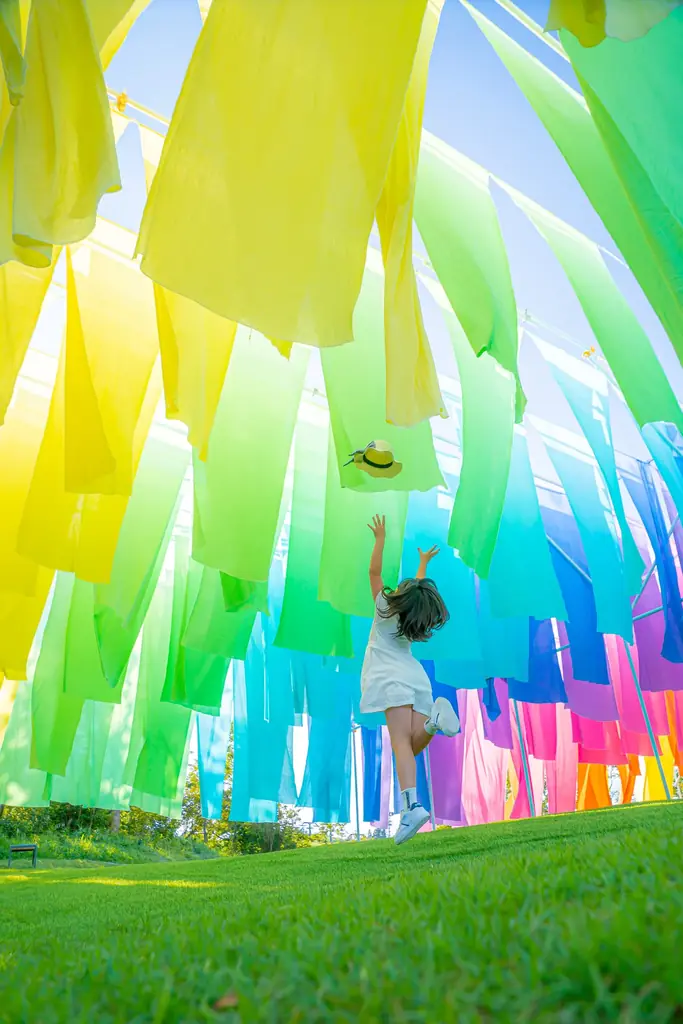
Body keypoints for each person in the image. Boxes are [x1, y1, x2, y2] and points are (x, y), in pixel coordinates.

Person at [360, 514, 461, 846]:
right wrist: (423, 565)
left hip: (391, 679)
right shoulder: (410, 617)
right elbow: (415, 592)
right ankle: (434, 721)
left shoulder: (384, 607)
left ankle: (411, 806)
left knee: (400, 743)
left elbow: (374, 572)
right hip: (415, 678)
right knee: (413, 743)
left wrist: (379, 539)